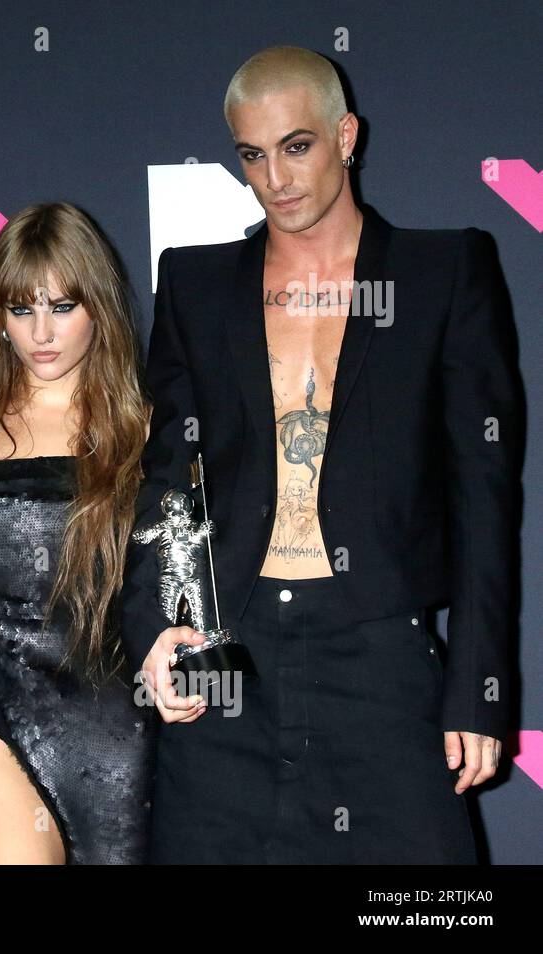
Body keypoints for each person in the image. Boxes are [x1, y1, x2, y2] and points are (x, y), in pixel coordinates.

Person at [121, 46, 523, 863]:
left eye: (296, 146)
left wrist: (480, 685)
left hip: (376, 650)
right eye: (252, 155)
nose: (275, 177)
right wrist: (158, 622)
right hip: (226, 654)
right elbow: (169, 479)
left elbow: (485, 497)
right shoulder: (196, 285)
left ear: (346, 134)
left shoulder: (440, 273)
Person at [0, 203, 164, 865]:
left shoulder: (143, 427)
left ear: (99, 308)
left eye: (63, 306)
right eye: (22, 310)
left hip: (117, 716)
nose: (42, 333)